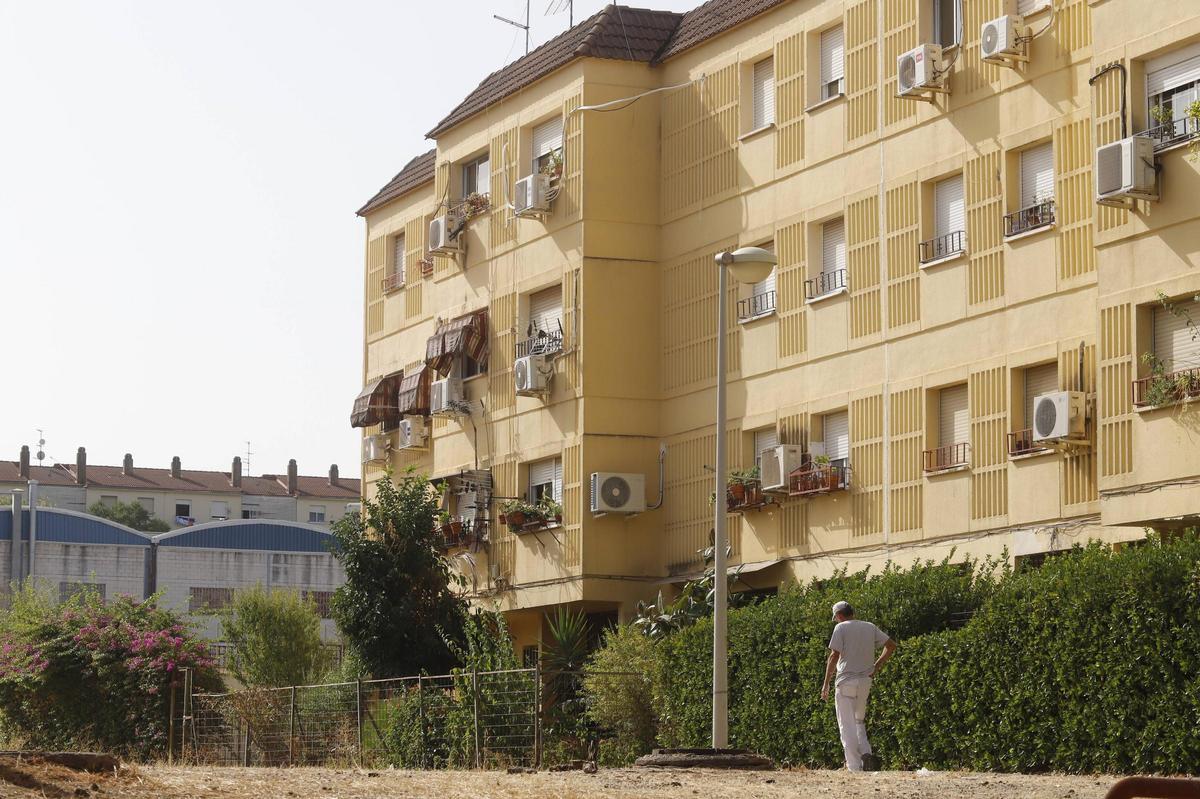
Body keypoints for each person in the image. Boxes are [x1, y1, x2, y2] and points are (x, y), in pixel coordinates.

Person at [819, 601, 897, 772]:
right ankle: (866, 753)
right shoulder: (870, 627)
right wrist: (876, 666)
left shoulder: (840, 628)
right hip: (865, 681)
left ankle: (854, 767)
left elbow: (834, 656)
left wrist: (825, 684)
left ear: (839, 615)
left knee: (846, 725)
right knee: (858, 721)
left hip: (846, 681)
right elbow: (891, 646)